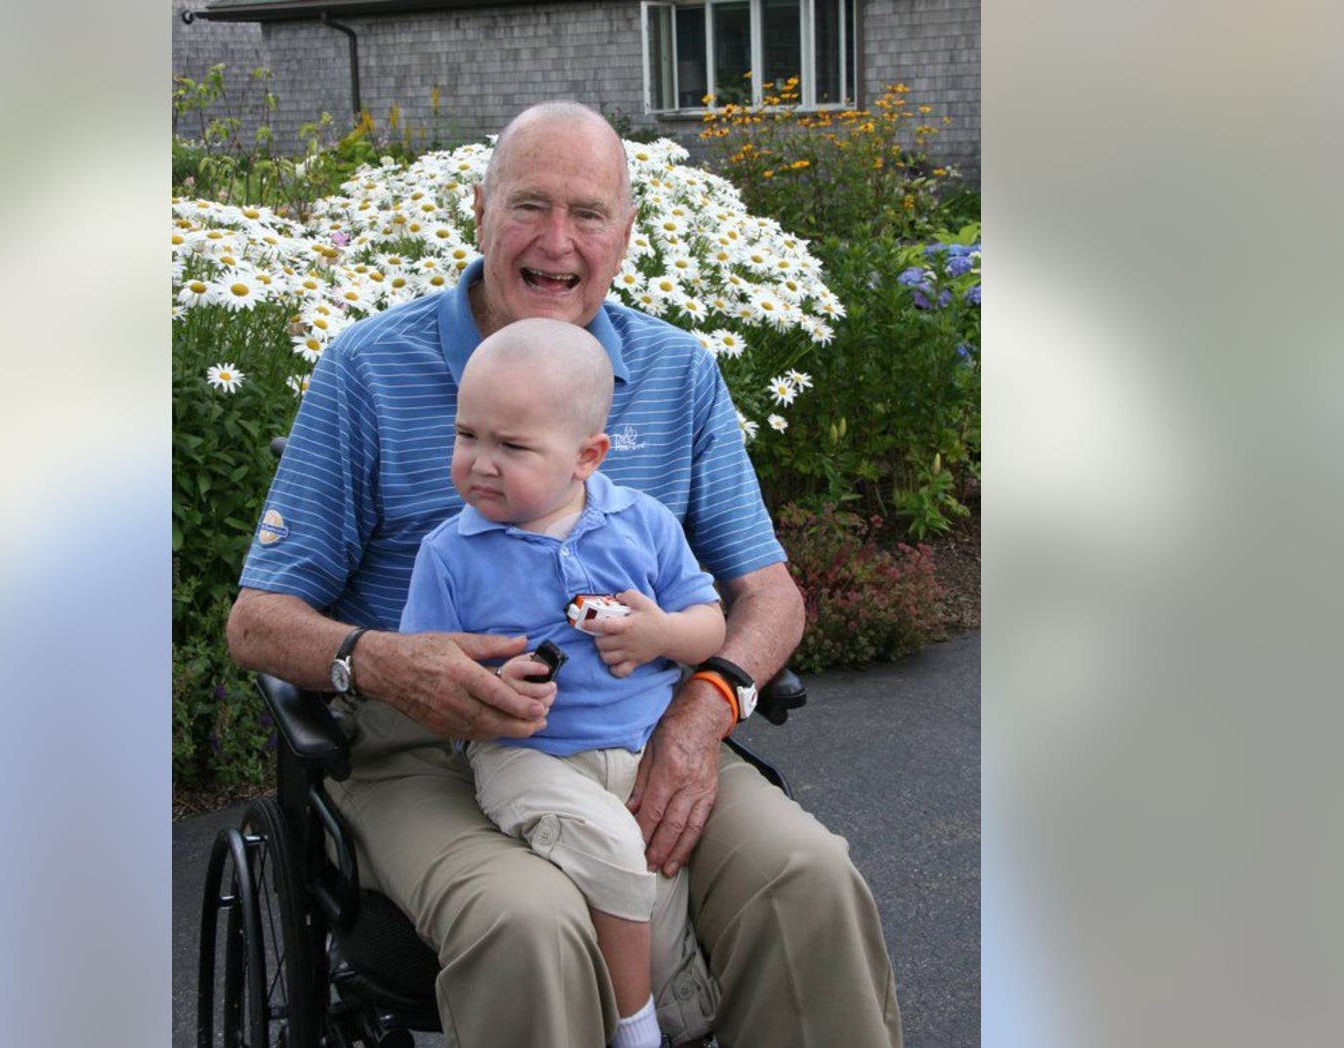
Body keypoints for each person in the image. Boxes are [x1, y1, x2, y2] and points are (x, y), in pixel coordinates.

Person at [228, 100, 903, 1047]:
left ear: (625, 234)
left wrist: (707, 706)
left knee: (807, 876)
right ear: (478, 211)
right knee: (528, 923)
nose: (557, 242)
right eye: (528, 206)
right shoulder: (368, 371)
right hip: (426, 749)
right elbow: (258, 620)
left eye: (588, 214)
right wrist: (385, 661)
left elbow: (769, 592)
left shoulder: (676, 372)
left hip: (639, 726)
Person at [401, 318, 729, 1048]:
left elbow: (709, 624)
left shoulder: (640, 523)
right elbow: (422, 669)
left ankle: (671, 1019)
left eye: (512, 446)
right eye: (467, 436)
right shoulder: (451, 553)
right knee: (613, 850)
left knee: (659, 894)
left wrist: (659, 635)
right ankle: (633, 1031)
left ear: (587, 456)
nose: (480, 463)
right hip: (526, 756)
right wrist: (489, 686)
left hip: (642, 751)